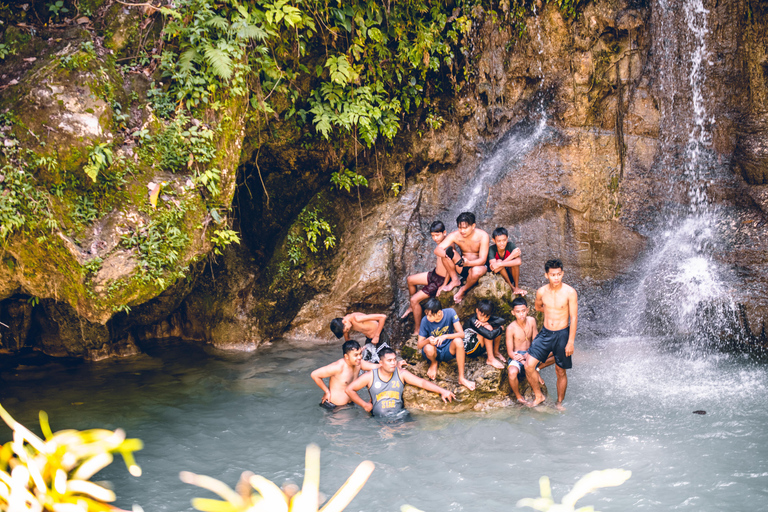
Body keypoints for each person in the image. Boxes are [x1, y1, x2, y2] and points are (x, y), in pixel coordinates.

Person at [524, 259, 578, 410]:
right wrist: (550, 312)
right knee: (529, 366)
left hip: (562, 334)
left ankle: (559, 402)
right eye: (553, 275)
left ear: (563, 274)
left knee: (560, 371)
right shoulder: (542, 291)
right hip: (546, 333)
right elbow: (538, 306)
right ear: (546, 275)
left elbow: (573, 317)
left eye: (559, 274)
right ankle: (538, 396)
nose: (556, 278)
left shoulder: (570, 292)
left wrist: (570, 342)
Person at [345, 348, 455, 417]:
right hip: (378, 421)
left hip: (401, 417)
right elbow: (349, 389)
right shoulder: (370, 376)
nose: (393, 363)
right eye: (389, 360)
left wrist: (442, 391)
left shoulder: (401, 374)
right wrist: (364, 405)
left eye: (394, 360)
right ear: (381, 363)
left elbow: (422, 383)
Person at [401, 221, 451, 335]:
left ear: (444, 233)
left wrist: (443, 285)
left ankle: (418, 329)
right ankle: (411, 307)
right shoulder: (442, 243)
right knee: (410, 280)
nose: (435, 238)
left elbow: (450, 268)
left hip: (440, 280)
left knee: (415, 300)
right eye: (433, 235)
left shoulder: (448, 245)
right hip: (434, 274)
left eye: (437, 235)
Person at [417, 297, 475, 390]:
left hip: (447, 349)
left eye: (430, 315)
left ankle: (461, 378)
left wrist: (445, 336)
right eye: (426, 314)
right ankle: (433, 363)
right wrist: (428, 340)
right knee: (428, 348)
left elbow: (462, 334)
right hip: (432, 351)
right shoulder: (425, 320)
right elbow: (419, 345)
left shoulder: (450, 312)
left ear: (439, 312)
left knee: (458, 341)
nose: (427, 317)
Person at [505, 297, 554, 404]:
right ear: (513, 313)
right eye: (518, 312)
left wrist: (529, 355)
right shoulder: (510, 328)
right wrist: (523, 361)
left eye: (523, 311)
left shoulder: (531, 321)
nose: (521, 314)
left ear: (527, 310)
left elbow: (536, 341)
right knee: (512, 373)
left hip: (531, 352)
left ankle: (537, 369)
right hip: (517, 357)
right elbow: (510, 353)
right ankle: (518, 396)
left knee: (558, 352)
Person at [434, 212, 489, 304]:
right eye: (460, 228)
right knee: (446, 254)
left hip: (478, 266)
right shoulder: (455, 235)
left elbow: (483, 260)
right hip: (462, 265)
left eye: (465, 228)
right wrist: (444, 254)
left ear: (473, 226)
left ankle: (463, 290)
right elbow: (437, 250)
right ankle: (455, 280)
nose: (462, 231)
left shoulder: (483, 236)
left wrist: (469, 263)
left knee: (476, 271)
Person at [310, 340, 381, 410]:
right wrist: (326, 392)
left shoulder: (359, 363)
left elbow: (377, 367)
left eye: (360, 353)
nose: (359, 357)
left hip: (350, 404)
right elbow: (315, 375)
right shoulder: (338, 367)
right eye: (356, 355)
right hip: (334, 407)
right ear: (346, 356)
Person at [462, 299, 506, 369]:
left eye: (487, 317)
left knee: (497, 325)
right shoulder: (473, 321)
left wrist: (487, 322)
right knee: (489, 328)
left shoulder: (485, 316)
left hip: (479, 344)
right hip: (469, 348)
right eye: (481, 316)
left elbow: (502, 321)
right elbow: (489, 335)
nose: (483, 319)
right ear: (477, 310)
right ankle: (490, 359)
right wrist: (500, 329)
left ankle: (496, 352)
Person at [487, 227, 526, 296]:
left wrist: (500, 264)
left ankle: (516, 287)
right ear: (494, 240)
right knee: (498, 261)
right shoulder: (492, 249)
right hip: (499, 276)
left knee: (509, 263)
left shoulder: (510, 245)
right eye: (499, 241)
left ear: (507, 239)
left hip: (510, 273)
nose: (502, 243)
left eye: (504, 240)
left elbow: (519, 262)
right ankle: (512, 287)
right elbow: (495, 269)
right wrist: (511, 256)